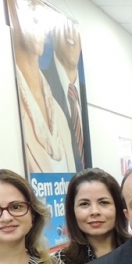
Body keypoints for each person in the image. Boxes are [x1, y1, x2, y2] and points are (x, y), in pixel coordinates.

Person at [4, 0, 75, 174]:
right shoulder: (9, 110)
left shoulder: (59, 115)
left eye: (39, 6)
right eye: (27, 2)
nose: (36, 14)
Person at [59, 168, 129, 264]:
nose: (94, 212)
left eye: (104, 202)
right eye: (84, 204)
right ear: (72, 211)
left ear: (118, 207)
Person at [42, 17, 88, 172]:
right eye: (64, 28)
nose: (71, 32)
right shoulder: (41, 86)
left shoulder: (83, 97)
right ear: (53, 34)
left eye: (75, 30)